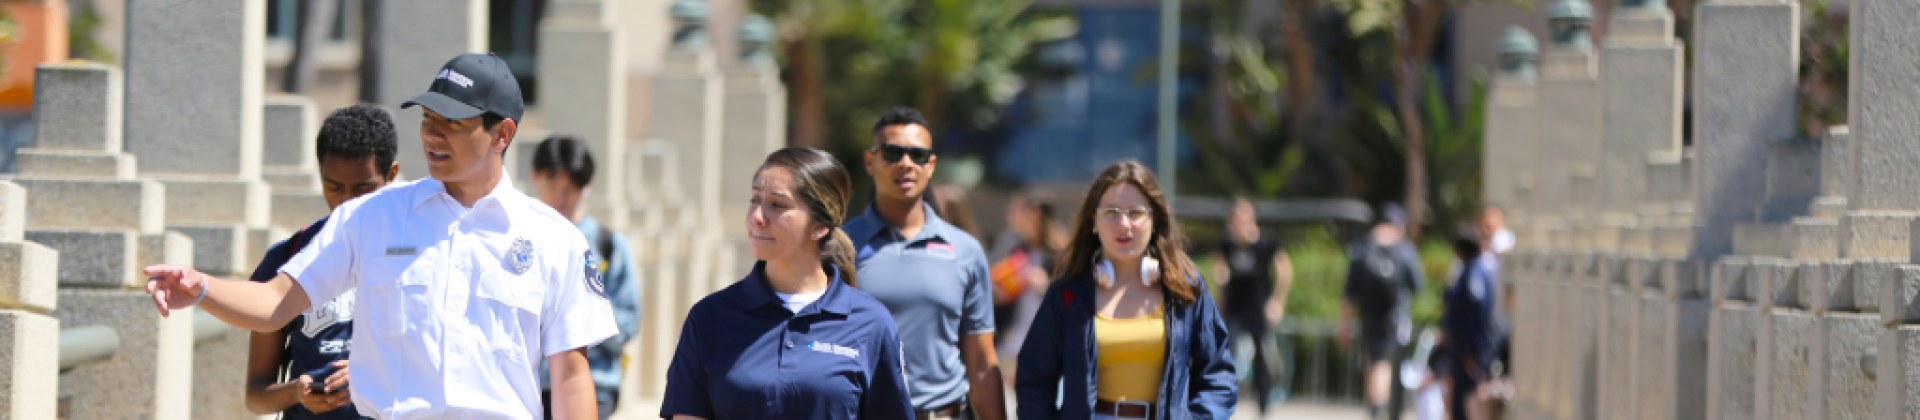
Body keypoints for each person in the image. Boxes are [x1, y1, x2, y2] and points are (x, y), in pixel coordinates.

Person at [143, 52, 616, 419]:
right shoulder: (371, 218)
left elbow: (571, 377)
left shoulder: (557, 240)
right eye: (428, 120)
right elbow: (273, 303)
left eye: (452, 124)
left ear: (501, 134)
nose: (432, 136)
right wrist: (201, 287)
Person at [661, 147, 913, 419]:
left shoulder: (872, 322)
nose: (757, 217)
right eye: (754, 199)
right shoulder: (709, 317)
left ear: (819, 226)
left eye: (777, 205)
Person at [1015, 160, 1238, 419]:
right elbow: (1034, 379)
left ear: (1153, 219)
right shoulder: (1068, 292)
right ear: (1094, 220)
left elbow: (1218, 375)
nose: (1124, 224)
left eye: (1135, 213)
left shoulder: (1185, 289)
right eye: (1111, 212)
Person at [844, 107, 1006, 419]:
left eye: (917, 155)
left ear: (931, 166)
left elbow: (982, 363)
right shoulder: (840, 248)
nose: (905, 164)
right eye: (892, 153)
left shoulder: (965, 251)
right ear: (870, 162)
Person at [243, 104, 400, 419]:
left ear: (391, 175)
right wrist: (297, 392)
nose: (346, 202)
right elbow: (256, 396)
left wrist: (372, 377)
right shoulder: (288, 257)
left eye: (363, 189)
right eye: (334, 187)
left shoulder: (418, 255)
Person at [529, 136, 641, 419]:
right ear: (535, 179)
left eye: (571, 189)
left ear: (586, 187)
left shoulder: (609, 245)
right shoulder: (522, 240)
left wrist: (582, 310)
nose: (560, 197)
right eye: (552, 186)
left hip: (595, 384)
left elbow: (628, 323)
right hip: (531, 387)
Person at [1340, 204, 1427, 418]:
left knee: (1373, 363)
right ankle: (1378, 410)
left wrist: (1343, 325)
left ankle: (1373, 409)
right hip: (1395, 317)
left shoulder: (1362, 248)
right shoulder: (1405, 250)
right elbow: (1418, 287)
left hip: (1367, 317)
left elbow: (1348, 293)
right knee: (1384, 365)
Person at [1207, 197, 1291, 415]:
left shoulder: (1266, 242)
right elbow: (1219, 270)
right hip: (1235, 306)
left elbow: (1284, 270)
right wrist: (1220, 302)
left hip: (1258, 305)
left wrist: (1277, 301)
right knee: (1227, 351)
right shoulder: (1226, 244)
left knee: (1262, 353)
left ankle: (1263, 404)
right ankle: (1222, 398)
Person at [989, 190, 1066, 373]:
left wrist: (1045, 286)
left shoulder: (1061, 254)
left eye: (1020, 212)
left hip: (1048, 345)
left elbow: (1072, 301)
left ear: (1035, 213)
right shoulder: (1014, 249)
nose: (1014, 218)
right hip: (1014, 343)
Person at [1438, 233, 1500, 420]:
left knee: (1469, 398)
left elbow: (1476, 314)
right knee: (1460, 398)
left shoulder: (1474, 274)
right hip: (1463, 348)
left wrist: (1471, 351)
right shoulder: (1470, 272)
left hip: (1468, 351)